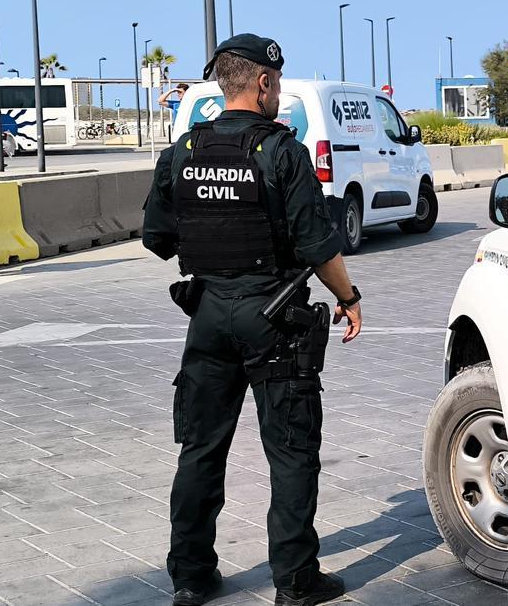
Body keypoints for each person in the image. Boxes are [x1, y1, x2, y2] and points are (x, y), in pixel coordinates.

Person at [142, 34, 362, 606]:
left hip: (208, 315)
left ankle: (190, 577)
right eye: (278, 83)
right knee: (290, 452)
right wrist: (349, 295)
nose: (279, 93)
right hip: (273, 317)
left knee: (200, 449)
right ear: (262, 82)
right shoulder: (282, 151)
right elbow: (318, 243)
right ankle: (294, 581)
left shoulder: (184, 150)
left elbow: (157, 236)